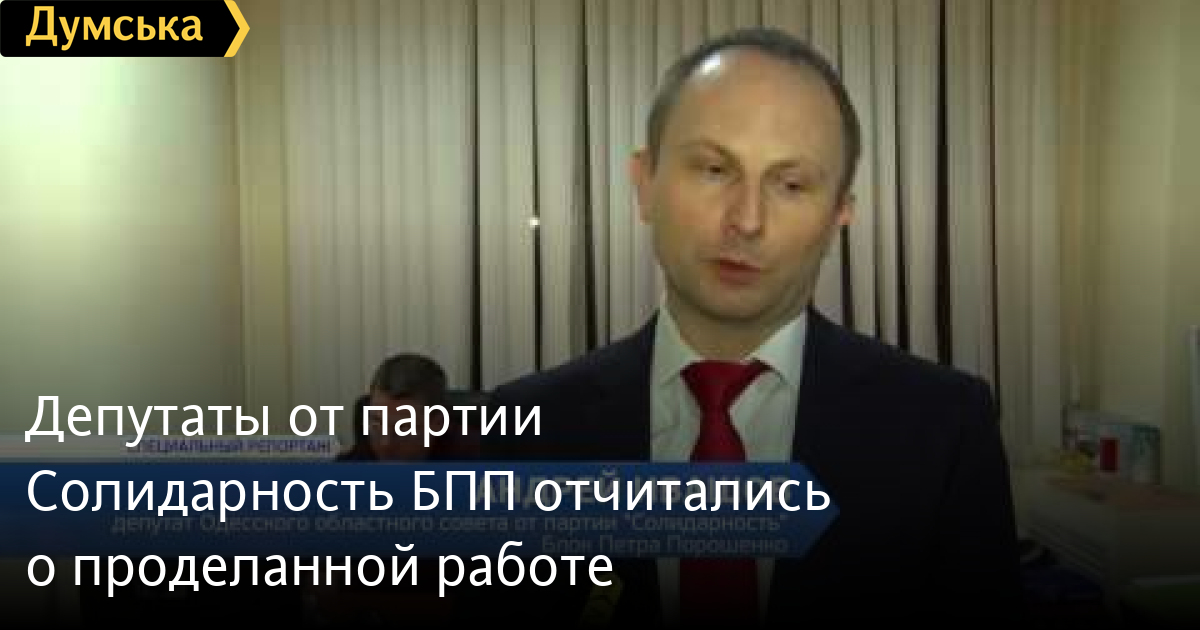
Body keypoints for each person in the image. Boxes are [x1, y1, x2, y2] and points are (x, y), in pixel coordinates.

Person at [481, 27, 1022, 626]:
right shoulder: (526, 432)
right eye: (715, 169)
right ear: (644, 184)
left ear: (839, 214)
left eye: (791, 184)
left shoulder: (946, 427)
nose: (747, 220)